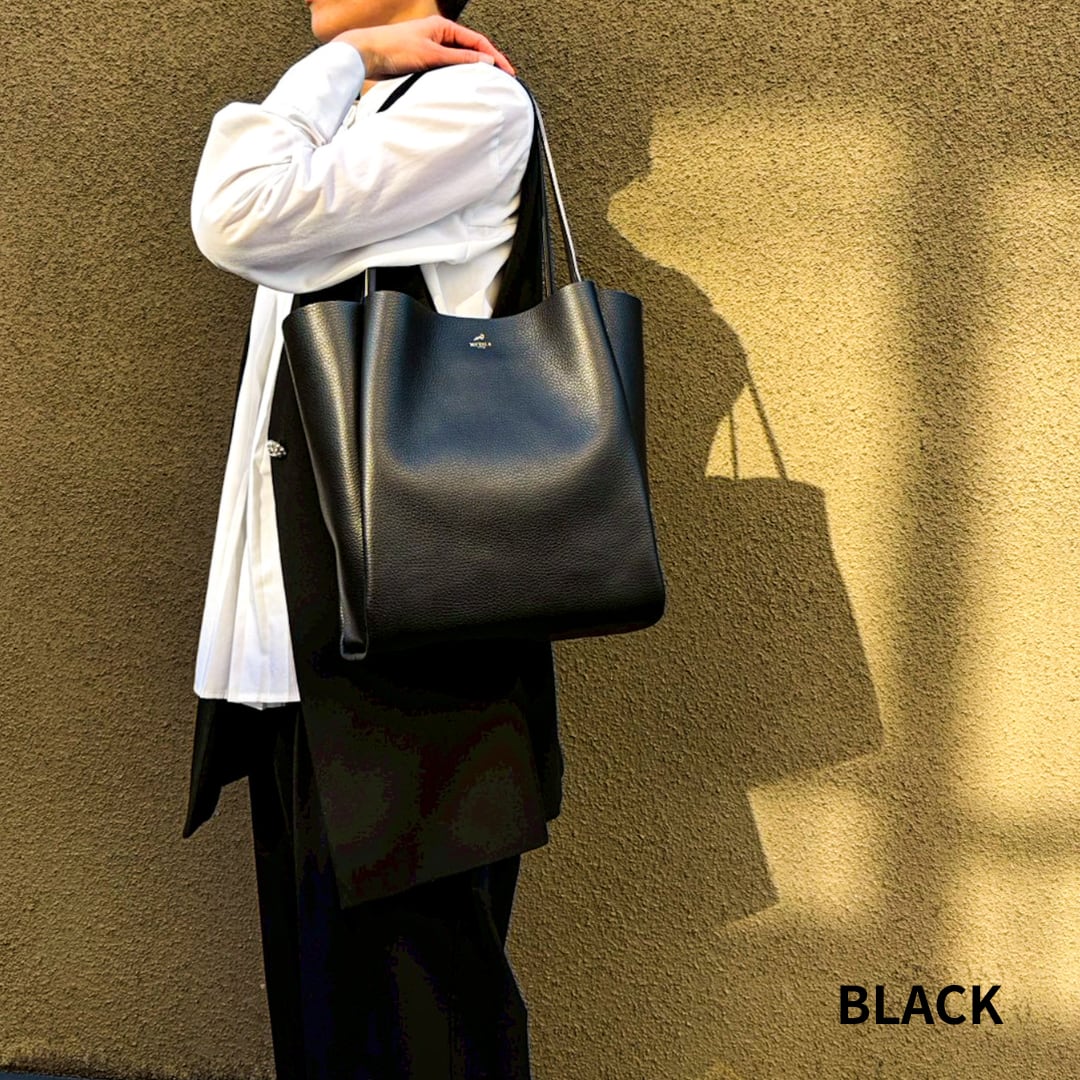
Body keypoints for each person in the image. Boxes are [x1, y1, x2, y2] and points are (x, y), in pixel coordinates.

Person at [182, 2, 564, 1076]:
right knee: (326, 1023)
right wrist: (351, 72)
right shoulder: (356, 118)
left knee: (423, 1025)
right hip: (299, 655)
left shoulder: (471, 107)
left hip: (408, 662)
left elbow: (238, 212)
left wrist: (344, 58)